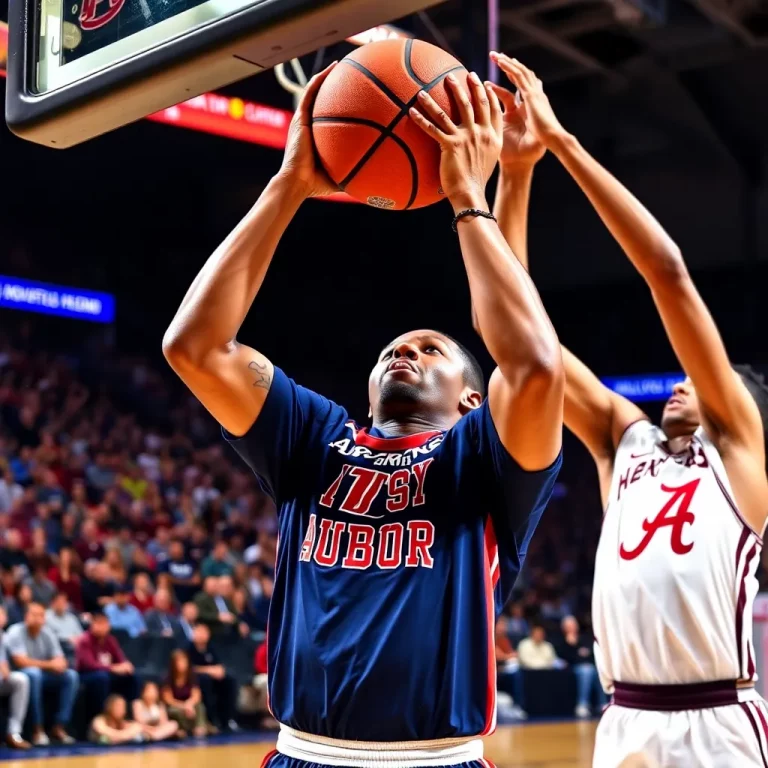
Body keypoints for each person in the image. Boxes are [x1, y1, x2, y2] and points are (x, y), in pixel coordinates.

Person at [163, 61, 563, 766]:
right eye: (393, 350)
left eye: (430, 349)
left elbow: (533, 366)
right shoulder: (314, 438)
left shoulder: (481, 458)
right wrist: (287, 186)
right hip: (300, 754)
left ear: (474, 400)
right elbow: (193, 346)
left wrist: (467, 197)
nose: (404, 351)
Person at [489, 52, 768, 767]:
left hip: (716, 723)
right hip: (626, 722)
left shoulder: (737, 454)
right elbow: (526, 349)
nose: (682, 383)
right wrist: (517, 174)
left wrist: (565, 144)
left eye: (704, 380)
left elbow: (666, 273)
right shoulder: (626, 443)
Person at [5, 602, 78, 745]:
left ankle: (59, 726)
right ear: (26, 616)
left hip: (43, 674)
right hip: (21, 674)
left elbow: (60, 660)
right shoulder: (15, 631)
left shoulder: (47, 632)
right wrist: (50, 665)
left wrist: (58, 664)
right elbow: (21, 661)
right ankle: (37, 729)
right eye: (34, 614)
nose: (37, 618)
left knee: (71, 676)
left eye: (41, 615)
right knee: (33, 674)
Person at [76, 612, 139, 721]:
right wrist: (113, 668)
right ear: (92, 625)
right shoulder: (85, 640)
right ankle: (100, 718)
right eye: (98, 623)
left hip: (106, 673)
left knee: (132, 677)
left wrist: (126, 665)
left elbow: (120, 659)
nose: (102, 627)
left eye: (104, 624)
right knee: (102, 678)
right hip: (86, 675)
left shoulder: (110, 640)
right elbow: (89, 665)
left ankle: (129, 716)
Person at [188, 623, 239, 732]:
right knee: (205, 680)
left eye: (204, 632)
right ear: (193, 634)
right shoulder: (188, 648)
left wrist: (219, 670)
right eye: (199, 632)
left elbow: (219, 663)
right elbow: (189, 668)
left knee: (229, 680)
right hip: (196, 679)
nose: (202, 635)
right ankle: (211, 719)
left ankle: (227, 719)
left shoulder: (211, 647)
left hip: (213, 677)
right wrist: (209, 670)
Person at [554, 615, 607, 718]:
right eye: (569, 626)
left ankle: (602, 703)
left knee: (599, 670)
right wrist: (571, 646)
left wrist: (582, 653)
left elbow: (592, 652)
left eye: (573, 625)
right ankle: (582, 704)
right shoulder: (561, 640)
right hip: (572, 668)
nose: (572, 627)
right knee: (586, 670)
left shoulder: (585, 638)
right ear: (564, 628)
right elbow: (563, 656)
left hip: (590, 666)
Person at [161, 649, 213, 738]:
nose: (182, 664)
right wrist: (183, 706)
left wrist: (189, 704)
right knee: (174, 711)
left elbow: (196, 695)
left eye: (184, 661)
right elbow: (168, 700)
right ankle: (183, 729)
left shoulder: (191, 676)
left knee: (199, 706)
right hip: (176, 705)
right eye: (179, 661)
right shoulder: (167, 678)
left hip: (189, 704)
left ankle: (200, 727)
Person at [0, 606, 31, 749]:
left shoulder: (3, 634)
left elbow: (5, 664)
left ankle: (13, 733)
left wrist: (5, 669)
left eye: (2, 613)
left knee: (21, 679)